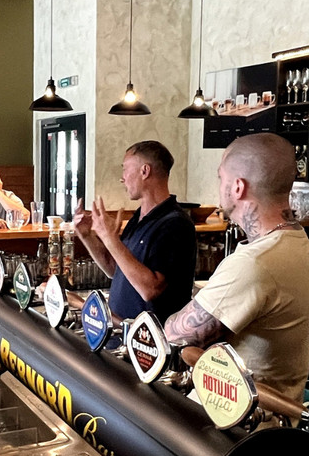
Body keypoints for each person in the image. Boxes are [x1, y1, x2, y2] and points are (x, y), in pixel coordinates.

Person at [165, 133, 309, 404]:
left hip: (231, 420)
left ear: (238, 187)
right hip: (275, 415)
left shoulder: (256, 262)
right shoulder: (298, 241)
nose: (219, 185)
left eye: (221, 177)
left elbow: (174, 338)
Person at [73, 140, 197, 323]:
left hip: (149, 338)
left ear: (144, 171)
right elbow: (115, 269)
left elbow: (150, 289)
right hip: (121, 331)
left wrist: (109, 238)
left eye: (125, 169)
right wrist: (87, 236)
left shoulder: (176, 224)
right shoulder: (139, 217)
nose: (122, 178)